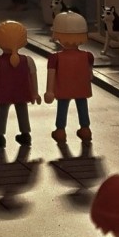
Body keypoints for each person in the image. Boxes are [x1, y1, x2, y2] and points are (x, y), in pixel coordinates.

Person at [0, 20, 41, 148]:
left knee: (1, 113)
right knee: (22, 111)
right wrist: (35, 93)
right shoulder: (28, 60)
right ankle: (25, 134)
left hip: (3, 93)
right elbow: (33, 77)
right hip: (22, 92)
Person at [44, 11, 93, 143]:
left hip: (63, 88)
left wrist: (49, 91)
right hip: (81, 88)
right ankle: (85, 129)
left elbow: (51, 75)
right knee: (82, 106)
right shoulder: (87, 56)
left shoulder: (55, 58)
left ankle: (60, 131)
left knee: (62, 108)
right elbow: (90, 73)